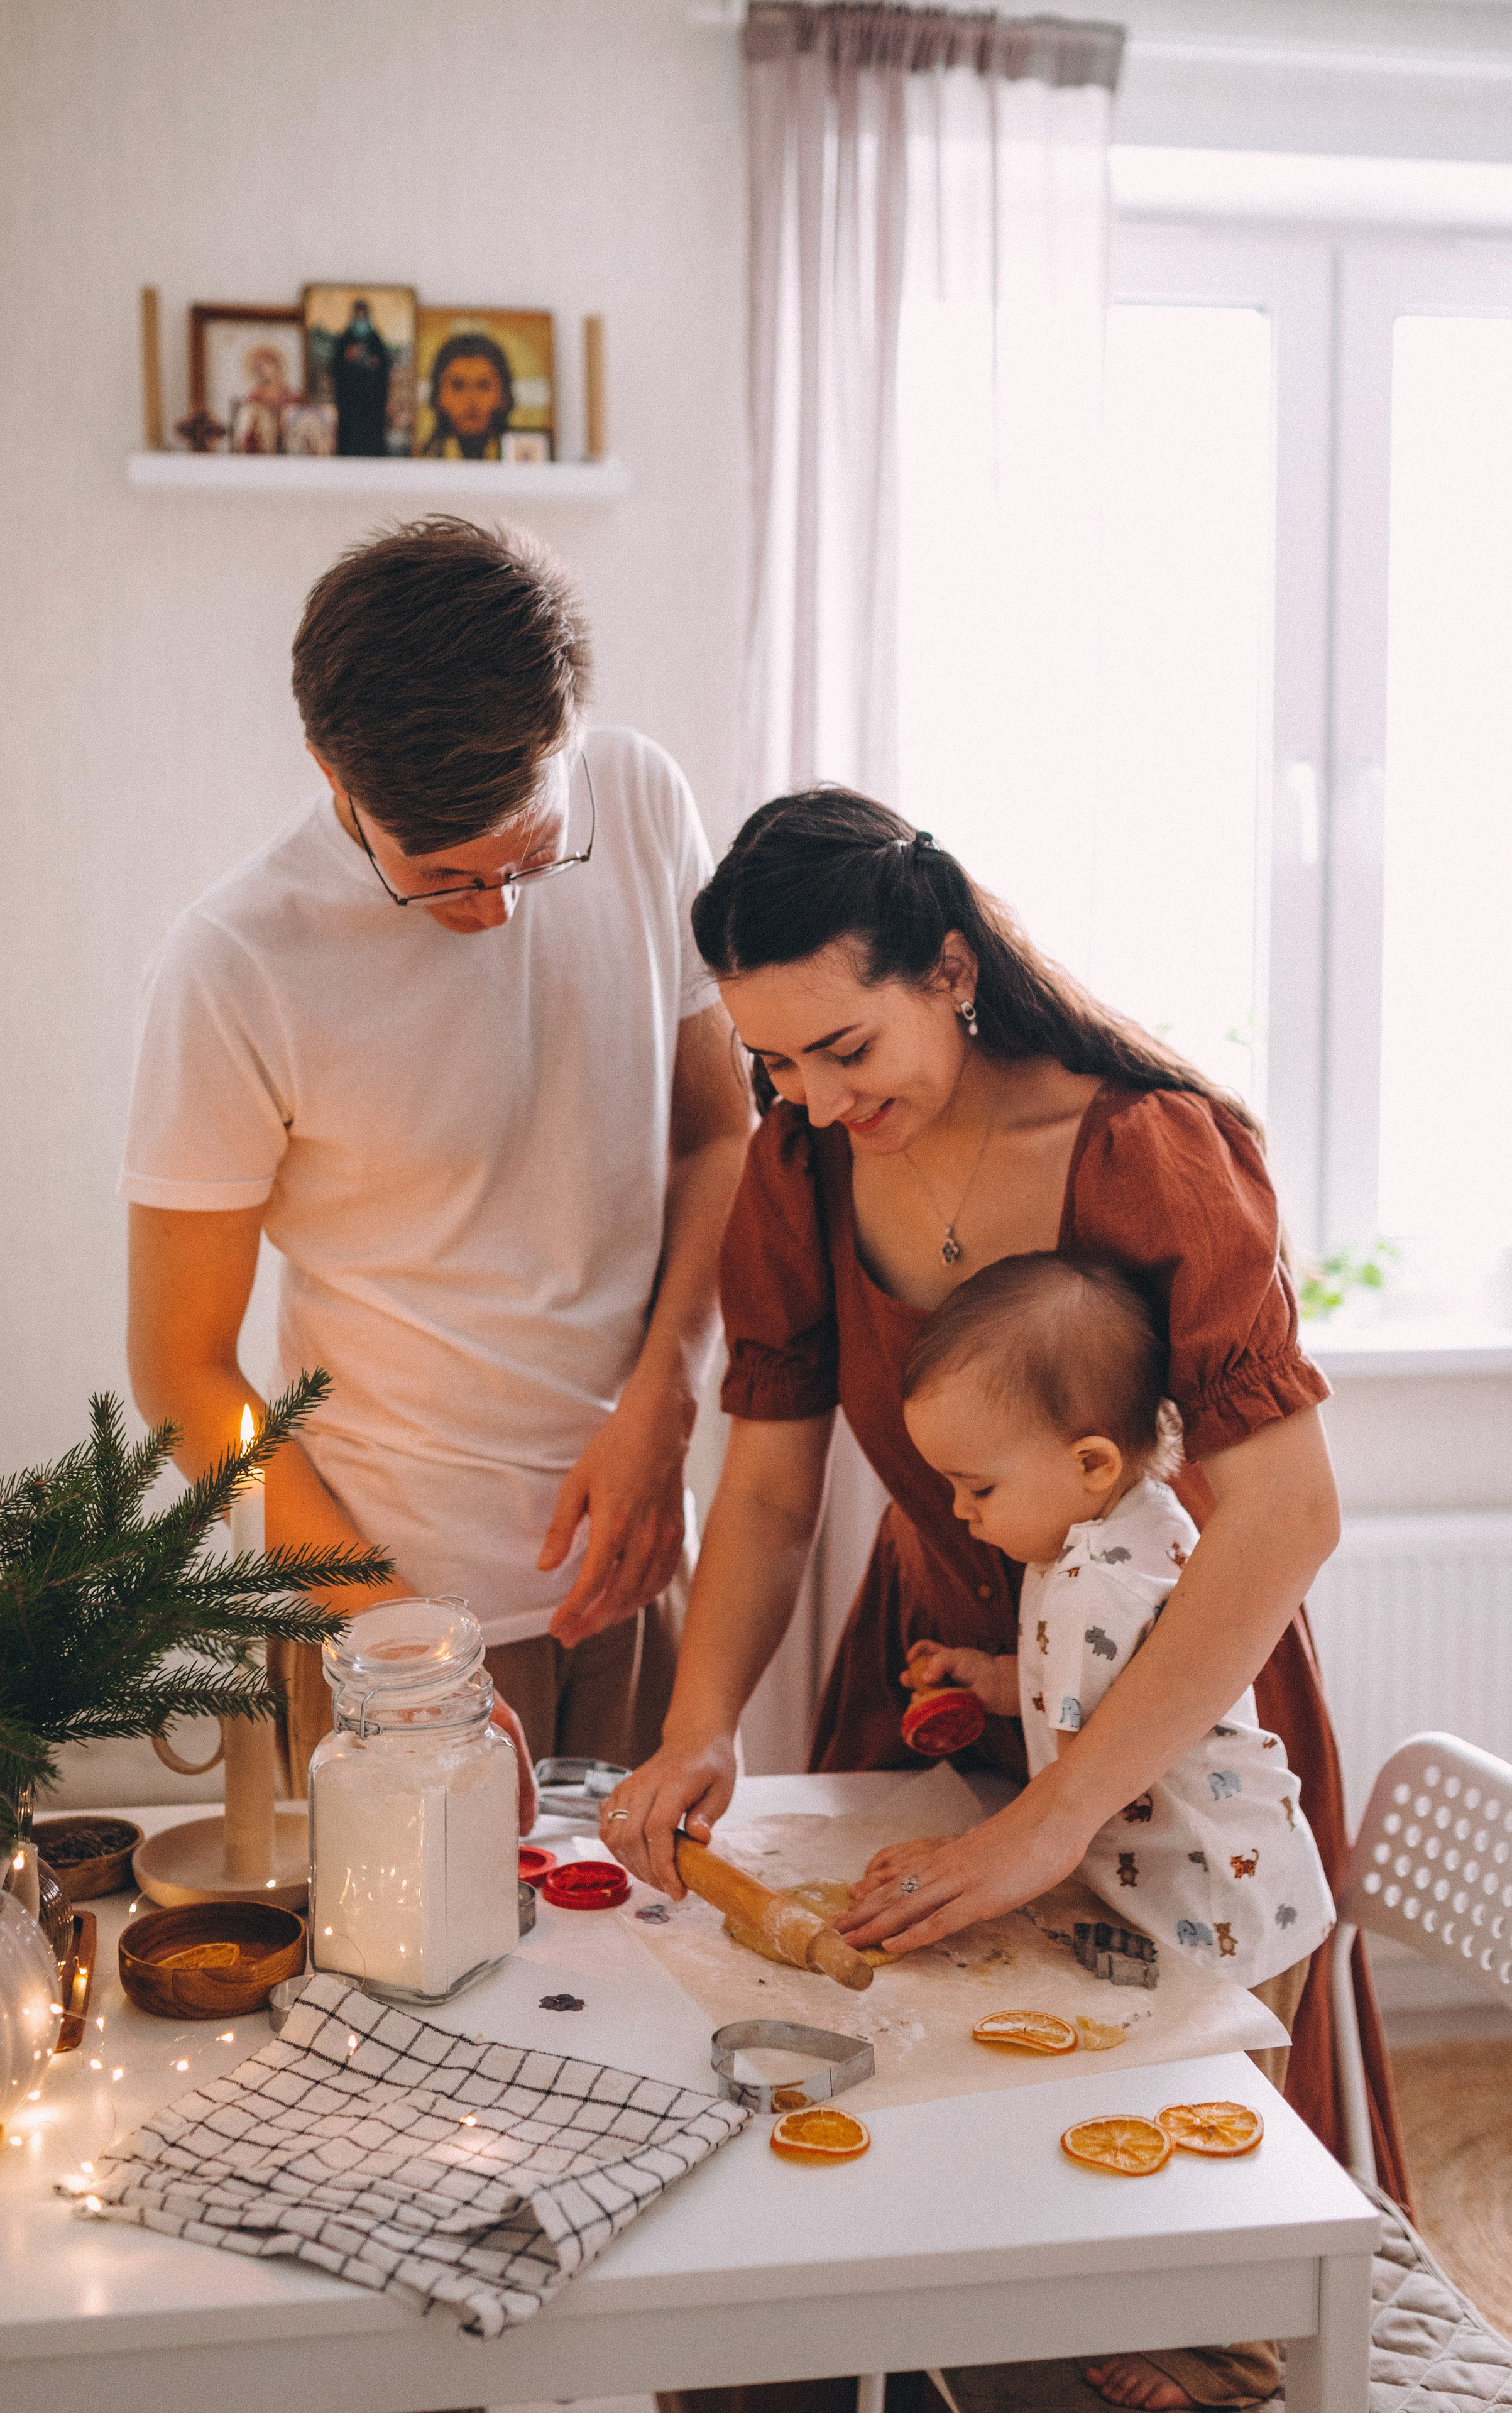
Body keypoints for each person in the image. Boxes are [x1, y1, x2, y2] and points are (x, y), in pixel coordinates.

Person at [603, 787, 1406, 2408]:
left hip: (1165, 1713)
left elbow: (1281, 1510)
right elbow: (766, 1488)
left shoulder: (1148, 1151)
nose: (816, 1103)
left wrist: (1052, 1817)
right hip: (936, 1679)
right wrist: (698, 1727)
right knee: (895, 2168)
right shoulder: (795, 1169)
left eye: (844, 1048)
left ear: (949, 969)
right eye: (775, 1064)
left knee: (1151, 2216)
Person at [121, 516, 749, 1819]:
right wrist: (400, 1634)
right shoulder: (233, 966)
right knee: (405, 2003)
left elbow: (714, 1134)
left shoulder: (638, 800)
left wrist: (668, 1396)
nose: (493, 910)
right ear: (328, 770)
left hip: (630, 1550)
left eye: (530, 853)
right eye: (439, 878)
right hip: (388, 1601)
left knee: (651, 1982)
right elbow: (182, 1369)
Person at [897, 1251, 1334, 2412]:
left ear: (1088, 1462)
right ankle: (1181, 2325)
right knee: (1177, 2132)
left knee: (1229, 2146)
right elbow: (1070, 1693)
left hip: (1228, 1916)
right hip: (1200, 1902)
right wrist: (984, 1678)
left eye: (976, 1487)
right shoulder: (1098, 1536)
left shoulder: (1100, 1576)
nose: (960, 1511)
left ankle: (1236, 2371)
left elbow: (1085, 1714)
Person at [425, 331, 515, 460]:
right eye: (458, 386)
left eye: (483, 386)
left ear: (503, 395)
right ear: (438, 397)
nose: (471, 400)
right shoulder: (423, 460)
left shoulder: (520, 459)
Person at [330, 298, 390, 456]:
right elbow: (335, 368)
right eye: (358, 317)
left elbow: (385, 367)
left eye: (363, 317)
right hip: (350, 400)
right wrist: (348, 357)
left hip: (371, 400)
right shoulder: (344, 339)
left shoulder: (376, 340)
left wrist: (375, 363)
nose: (361, 321)